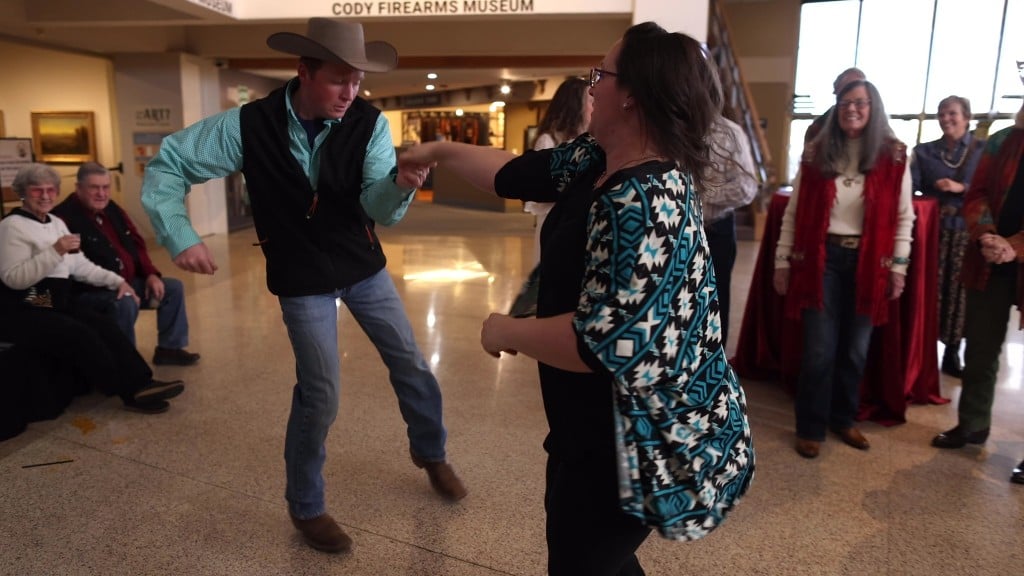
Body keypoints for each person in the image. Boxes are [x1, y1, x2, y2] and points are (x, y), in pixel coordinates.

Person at [401, 22, 754, 575]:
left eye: (601, 75)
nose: (591, 87)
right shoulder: (600, 159)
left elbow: (603, 343)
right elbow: (514, 174)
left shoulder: (644, 199)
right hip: (589, 427)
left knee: (581, 560)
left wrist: (506, 328)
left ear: (631, 94)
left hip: (628, 443)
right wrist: (439, 150)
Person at [140, 18, 466, 554]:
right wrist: (181, 235)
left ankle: (431, 453)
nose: (350, 93)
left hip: (361, 267)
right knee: (321, 391)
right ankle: (306, 504)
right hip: (300, 275)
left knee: (410, 361)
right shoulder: (250, 124)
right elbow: (170, 163)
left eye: (357, 81)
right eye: (339, 79)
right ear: (304, 71)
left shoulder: (369, 124)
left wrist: (400, 185)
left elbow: (378, 208)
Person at [774, 79, 915, 459]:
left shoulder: (894, 157)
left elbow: (904, 218)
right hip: (822, 261)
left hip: (869, 265)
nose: (852, 108)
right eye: (845, 102)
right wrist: (782, 261)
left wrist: (899, 268)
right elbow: (793, 213)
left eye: (861, 102)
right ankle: (810, 427)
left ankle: (843, 418)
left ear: (873, 108)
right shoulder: (815, 154)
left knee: (855, 350)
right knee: (819, 350)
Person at [0, 163, 185, 415]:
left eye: (50, 190)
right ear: (23, 192)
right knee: (81, 334)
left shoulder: (56, 222)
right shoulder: (11, 226)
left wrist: (117, 282)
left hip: (55, 299)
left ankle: (143, 382)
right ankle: (128, 390)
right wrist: (55, 251)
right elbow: (13, 279)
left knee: (105, 326)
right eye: (36, 190)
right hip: (27, 302)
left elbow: (80, 265)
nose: (45, 196)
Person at [930, 91, 1024, 486]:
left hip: (1012, 252)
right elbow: (977, 192)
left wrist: (1015, 246)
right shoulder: (1003, 140)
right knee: (981, 348)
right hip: (989, 258)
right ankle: (972, 424)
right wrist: (986, 235)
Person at [52, 162, 200, 366]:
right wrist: (117, 284)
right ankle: (125, 364)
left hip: (127, 282)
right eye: (94, 188)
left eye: (106, 187)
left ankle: (169, 349)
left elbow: (137, 244)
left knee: (172, 288)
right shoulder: (64, 218)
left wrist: (150, 274)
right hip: (91, 291)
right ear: (79, 188)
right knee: (125, 302)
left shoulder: (113, 209)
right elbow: (76, 268)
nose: (102, 193)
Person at [910, 96, 984, 377]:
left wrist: (961, 187)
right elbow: (910, 191)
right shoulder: (924, 152)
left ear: (967, 117)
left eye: (952, 113)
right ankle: (921, 352)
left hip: (968, 233)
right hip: (933, 232)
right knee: (929, 289)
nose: (945, 119)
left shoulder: (983, 151)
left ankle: (952, 354)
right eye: (941, 114)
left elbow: (992, 190)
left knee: (959, 294)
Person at [510, 76, 592, 317]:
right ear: (575, 105)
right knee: (551, 280)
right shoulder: (549, 140)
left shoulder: (592, 141)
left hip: (580, 224)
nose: (594, 105)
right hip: (553, 222)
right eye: (589, 100)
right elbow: (537, 190)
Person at [702, 94, 759, 347]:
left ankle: (715, 361)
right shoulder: (670, 128)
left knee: (716, 304)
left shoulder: (728, 132)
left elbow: (747, 187)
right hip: (676, 228)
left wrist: (700, 193)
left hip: (715, 230)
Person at [803, 67, 866, 144]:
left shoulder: (876, 127)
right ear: (836, 92)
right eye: (848, 89)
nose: (851, 108)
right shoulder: (817, 128)